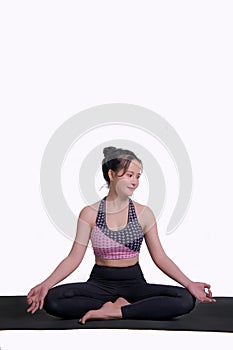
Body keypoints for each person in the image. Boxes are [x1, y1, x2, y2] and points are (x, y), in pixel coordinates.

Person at [27, 146, 216, 324]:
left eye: (138, 176)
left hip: (134, 284)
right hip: (99, 284)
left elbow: (160, 257)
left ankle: (116, 311)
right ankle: (127, 308)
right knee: (53, 300)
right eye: (129, 175)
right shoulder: (90, 213)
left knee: (184, 299)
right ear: (111, 175)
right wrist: (45, 284)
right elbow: (73, 258)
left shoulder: (144, 214)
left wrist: (190, 284)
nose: (135, 181)